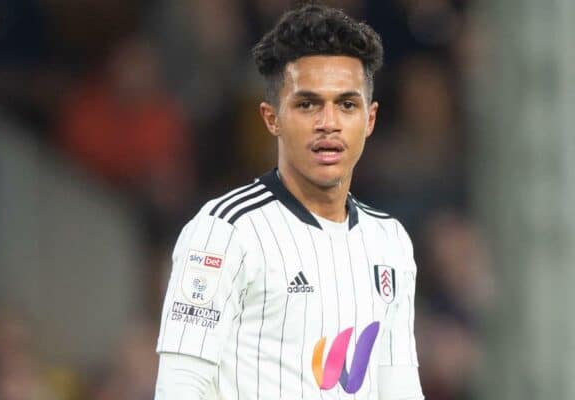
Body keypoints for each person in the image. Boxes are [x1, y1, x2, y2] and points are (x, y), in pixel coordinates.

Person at [154, 4, 424, 399]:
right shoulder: (224, 231)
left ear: (370, 118)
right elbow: (180, 388)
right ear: (272, 117)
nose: (328, 123)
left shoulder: (390, 240)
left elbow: (399, 388)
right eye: (307, 104)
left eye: (346, 104)